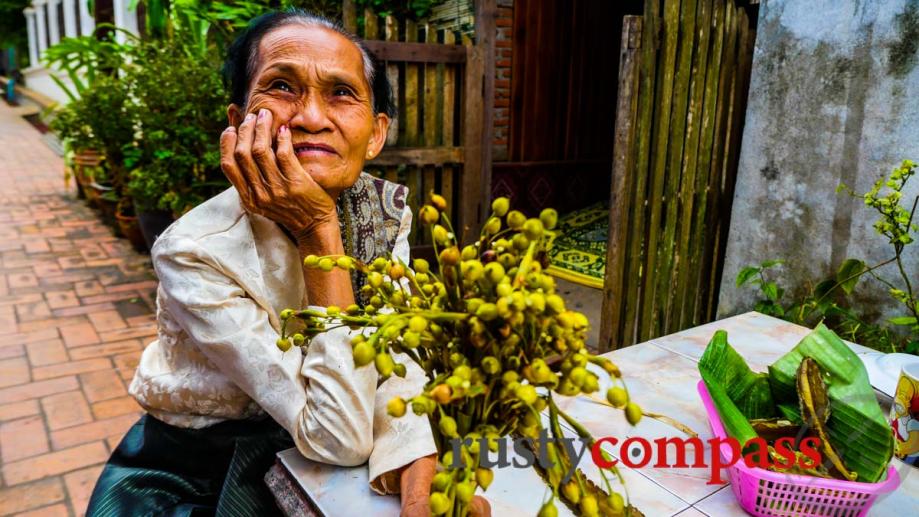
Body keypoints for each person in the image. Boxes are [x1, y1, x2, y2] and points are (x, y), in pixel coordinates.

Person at [86, 10, 489, 516]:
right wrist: (318, 228)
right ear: (239, 123)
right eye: (282, 86)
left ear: (376, 134)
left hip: (329, 442)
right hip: (197, 469)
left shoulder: (383, 216)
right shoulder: (194, 250)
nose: (313, 117)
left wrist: (414, 463)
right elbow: (338, 438)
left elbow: (393, 358)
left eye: (342, 93)